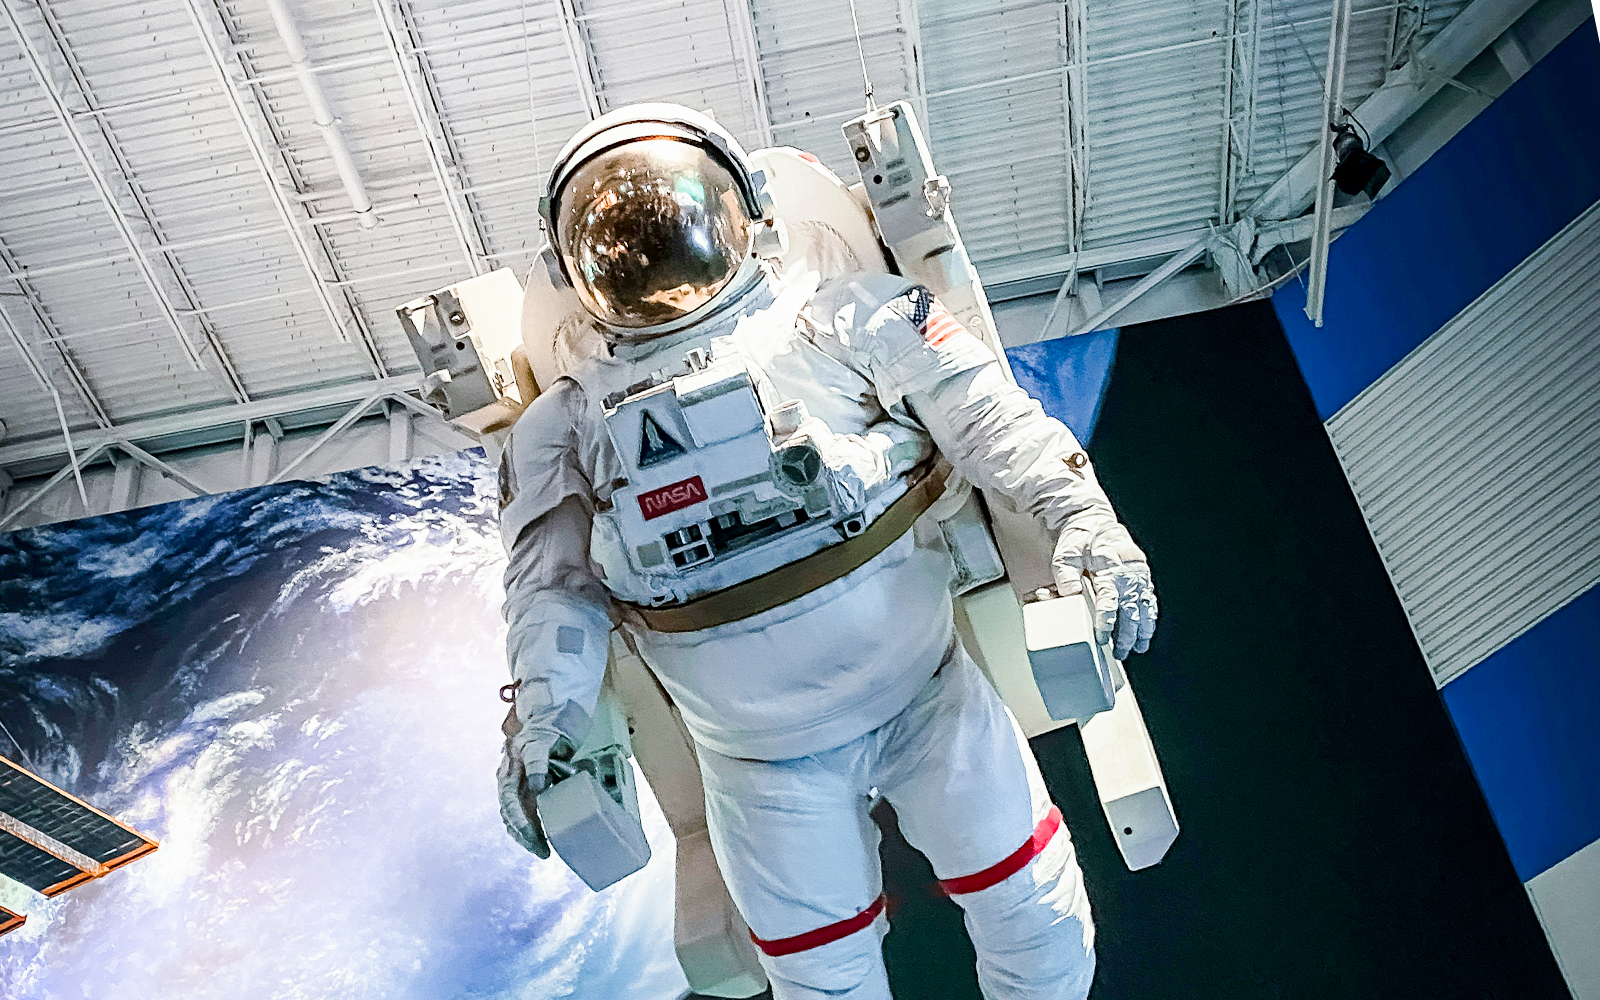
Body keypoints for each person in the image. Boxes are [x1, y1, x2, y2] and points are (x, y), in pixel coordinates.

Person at [494, 103, 1157, 1000]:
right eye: (618, 235)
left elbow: (995, 425)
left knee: (1035, 923)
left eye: (669, 212)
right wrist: (547, 723)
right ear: (572, 268)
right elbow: (551, 593)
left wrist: (1084, 521)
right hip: (754, 757)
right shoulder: (561, 430)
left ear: (745, 209)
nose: (652, 253)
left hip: (924, 692)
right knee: (827, 988)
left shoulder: (850, 320)